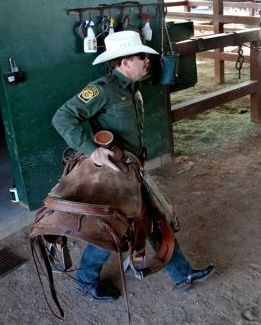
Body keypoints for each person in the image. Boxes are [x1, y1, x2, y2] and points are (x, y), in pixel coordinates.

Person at [52, 30, 214, 302]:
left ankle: (182, 273)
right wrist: (93, 151)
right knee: (111, 230)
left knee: (151, 221)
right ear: (125, 62)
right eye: (141, 57)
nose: (147, 62)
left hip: (131, 172)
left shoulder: (131, 88)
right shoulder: (102, 89)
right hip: (113, 176)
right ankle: (86, 281)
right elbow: (63, 117)